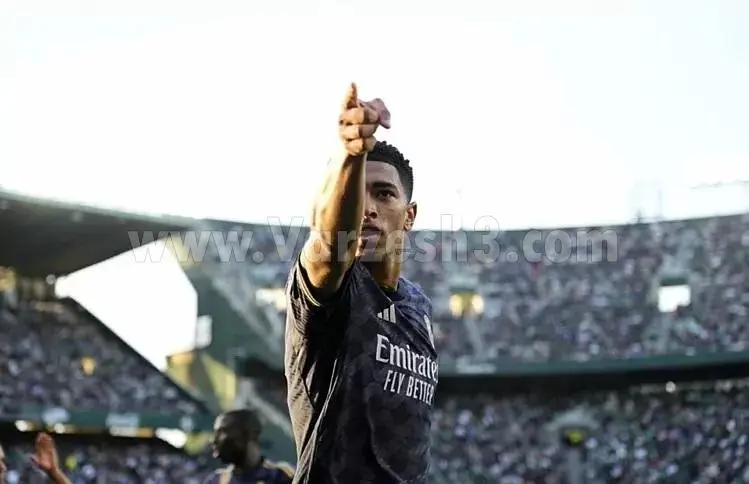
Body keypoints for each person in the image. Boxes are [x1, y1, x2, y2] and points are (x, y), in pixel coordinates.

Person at [284, 83, 438, 483]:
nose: (367, 208)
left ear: (409, 215)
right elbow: (331, 241)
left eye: (384, 194)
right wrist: (351, 155)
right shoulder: (332, 289)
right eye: (357, 194)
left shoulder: (418, 306)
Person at [203, 409, 294, 484]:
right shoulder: (215, 481)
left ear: (247, 436)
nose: (213, 440)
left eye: (222, 432)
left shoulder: (281, 476)